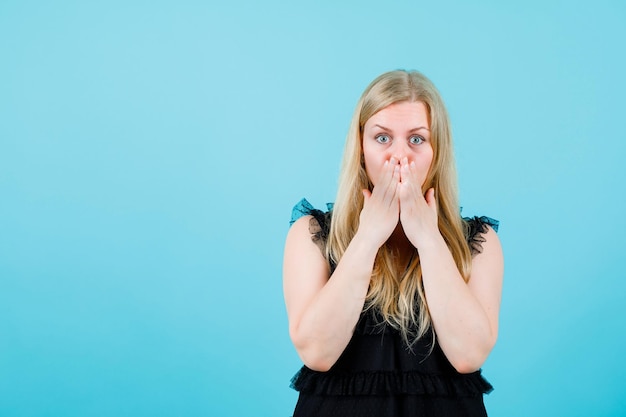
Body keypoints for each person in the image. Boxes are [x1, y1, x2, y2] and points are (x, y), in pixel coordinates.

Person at [283, 70, 504, 417]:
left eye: (416, 140)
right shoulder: (311, 234)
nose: (399, 157)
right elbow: (316, 353)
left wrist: (429, 238)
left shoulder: (479, 243)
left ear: (437, 151)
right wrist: (369, 236)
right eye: (382, 138)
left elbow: (469, 355)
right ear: (360, 148)